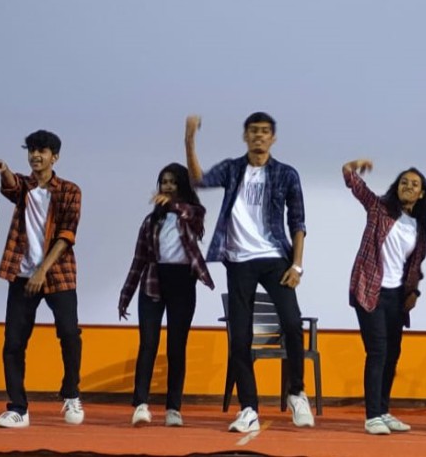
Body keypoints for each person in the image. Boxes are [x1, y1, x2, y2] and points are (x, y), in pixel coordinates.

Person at [185, 112, 315, 432]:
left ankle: (297, 393)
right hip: (239, 261)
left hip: (275, 259)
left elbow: (298, 222)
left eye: (265, 131)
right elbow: (198, 180)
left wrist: (297, 265)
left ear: (273, 138)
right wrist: (189, 140)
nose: (259, 136)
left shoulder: (286, 174)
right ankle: (248, 409)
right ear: (245, 136)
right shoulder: (232, 169)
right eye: (254, 131)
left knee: (292, 323)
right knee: (240, 336)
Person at [0, 130, 84, 428]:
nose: (35, 156)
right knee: (13, 342)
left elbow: (67, 234)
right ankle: (18, 408)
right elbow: (11, 186)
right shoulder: (25, 188)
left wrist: (42, 270)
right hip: (21, 274)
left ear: (55, 157)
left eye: (41, 151)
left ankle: (71, 393)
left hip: (58, 273)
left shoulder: (69, 190)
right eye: (31, 150)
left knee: (69, 334)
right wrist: (4, 170)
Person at [342, 159, 426, 435]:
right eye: (404, 182)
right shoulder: (379, 208)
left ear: (421, 194)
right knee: (378, 351)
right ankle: (372, 415)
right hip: (369, 289)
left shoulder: (420, 228)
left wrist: (413, 291)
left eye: (415, 184)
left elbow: (415, 266)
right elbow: (351, 179)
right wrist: (354, 165)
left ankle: (383, 410)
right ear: (396, 187)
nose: (408, 186)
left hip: (396, 296)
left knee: (393, 353)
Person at [118, 163, 215, 427]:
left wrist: (172, 204)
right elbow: (138, 260)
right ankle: (140, 405)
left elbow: (192, 213)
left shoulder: (192, 213)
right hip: (153, 281)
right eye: (164, 182)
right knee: (148, 344)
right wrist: (126, 295)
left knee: (176, 347)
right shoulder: (150, 222)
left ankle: (173, 408)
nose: (167, 186)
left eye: (172, 182)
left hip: (182, 282)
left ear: (182, 185)